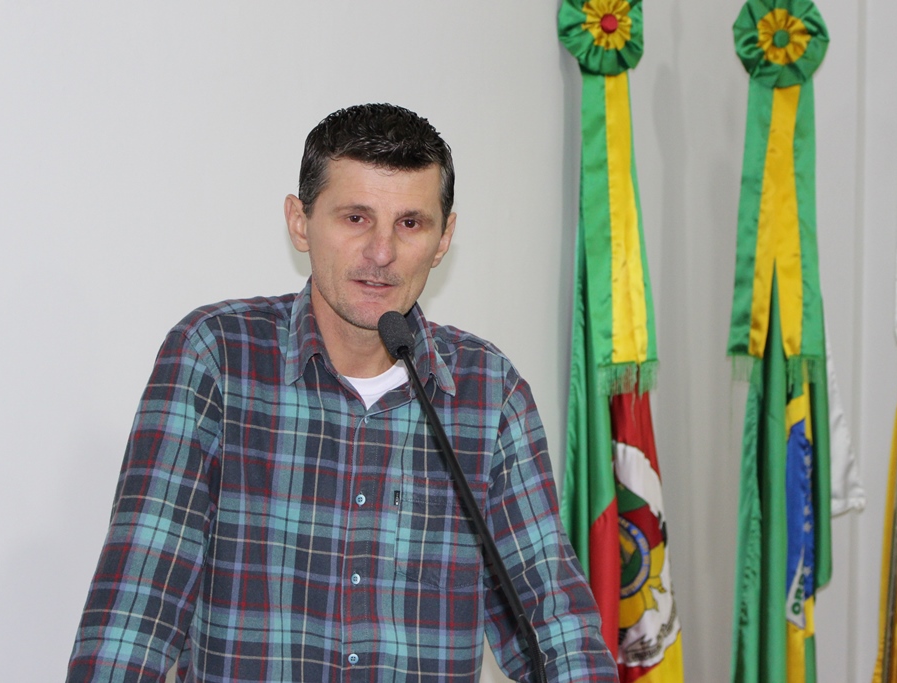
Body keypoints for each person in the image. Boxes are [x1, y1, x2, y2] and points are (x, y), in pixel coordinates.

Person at [67, 103, 617, 682]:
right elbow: (136, 616)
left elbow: (555, 627)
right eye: (356, 218)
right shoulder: (216, 357)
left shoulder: (489, 392)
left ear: (443, 238)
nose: (382, 253)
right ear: (300, 222)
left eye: (410, 224)